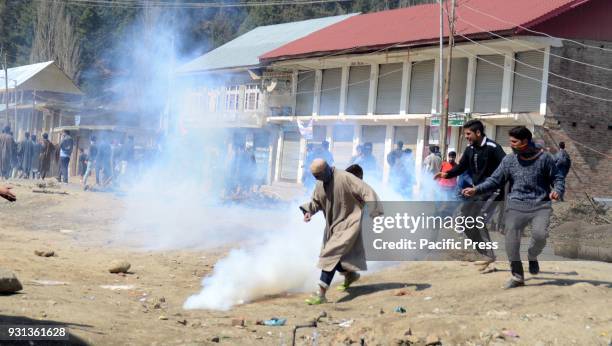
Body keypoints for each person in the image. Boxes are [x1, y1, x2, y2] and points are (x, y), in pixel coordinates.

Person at [462, 126, 564, 289]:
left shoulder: (545, 159)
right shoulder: (509, 160)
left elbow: (558, 177)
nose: (511, 145)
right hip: (516, 205)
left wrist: (557, 190)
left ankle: (532, 255)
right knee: (511, 240)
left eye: (514, 142)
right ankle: (517, 276)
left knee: (540, 236)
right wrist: (476, 189)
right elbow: (495, 180)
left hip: (541, 205)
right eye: (510, 141)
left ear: (525, 141)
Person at [300, 159, 383, 305]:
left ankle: (321, 294)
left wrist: (375, 211)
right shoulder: (320, 183)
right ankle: (350, 275)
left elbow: (367, 191)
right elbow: (316, 202)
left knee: (330, 254)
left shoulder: (345, 177)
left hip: (349, 223)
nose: (318, 179)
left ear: (327, 169)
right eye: (316, 177)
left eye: (320, 175)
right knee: (335, 256)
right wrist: (309, 212)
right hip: (333, 225)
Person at [434, 120, 506, 270]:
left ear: (478, 133)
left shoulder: (493, 148)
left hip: (493, 191)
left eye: (468, 134)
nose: (466, 136)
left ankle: (489, 255)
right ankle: (485, 253)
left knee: (478, 219)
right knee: (465, 222)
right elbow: (461, 167)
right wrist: (446, 174)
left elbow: (507, 167)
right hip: (476, 191)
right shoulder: (470, 149)